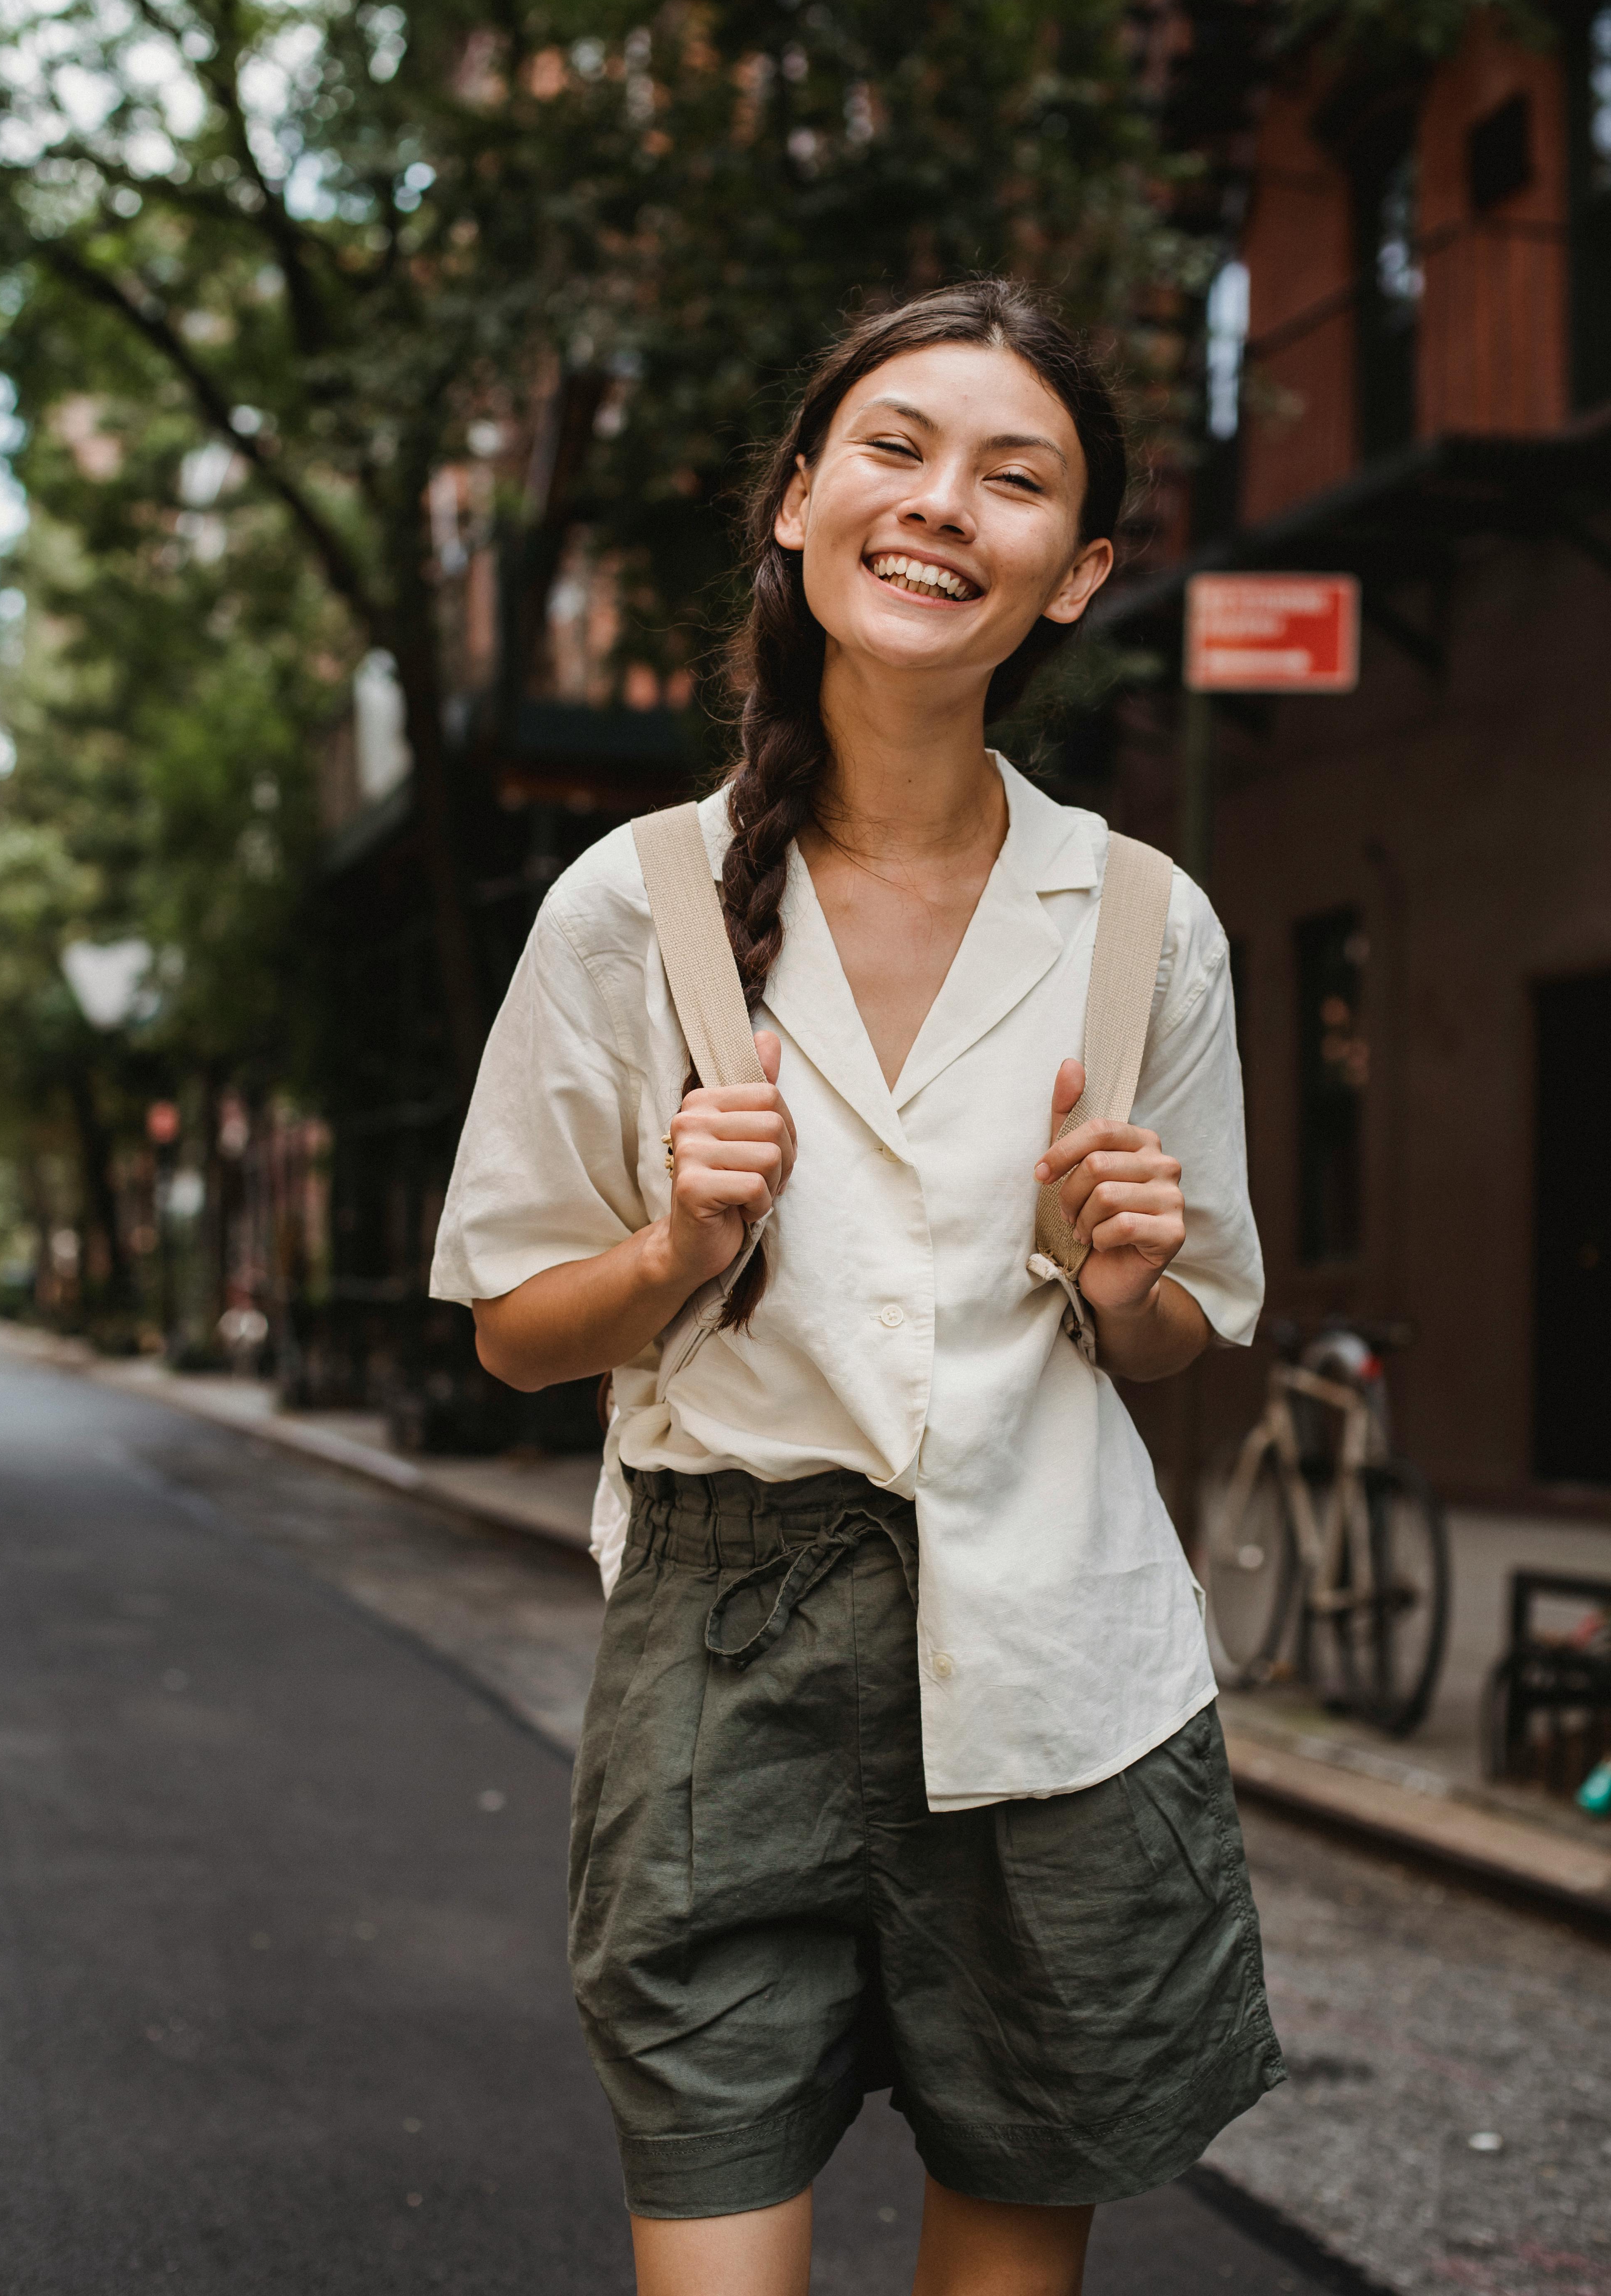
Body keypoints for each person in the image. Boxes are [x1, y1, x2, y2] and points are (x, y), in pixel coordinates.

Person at [431, 279, 1283, 2296]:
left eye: (1014, 479)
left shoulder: (1144, 924)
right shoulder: (629, 906)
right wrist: (676, 1251)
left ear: (1076, 573)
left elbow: (1175, 1334)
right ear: (799, 498)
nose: (941, 505)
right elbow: (512, 1329)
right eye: (895, 448)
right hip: (722, 1663)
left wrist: (1122, 1275)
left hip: (1060, 1669)